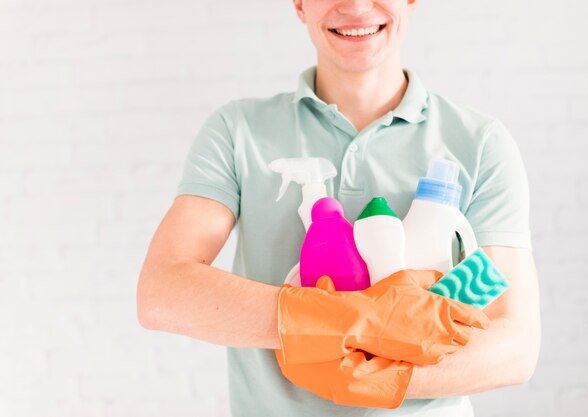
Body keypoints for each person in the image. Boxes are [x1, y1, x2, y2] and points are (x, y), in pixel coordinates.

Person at [136, 0, 541, 415]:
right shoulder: (239, 132)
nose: (357, 6)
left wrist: (378, 379)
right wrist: (356, 320)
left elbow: (515, 346)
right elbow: (162, 292)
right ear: (299, 4)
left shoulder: (478, 143)